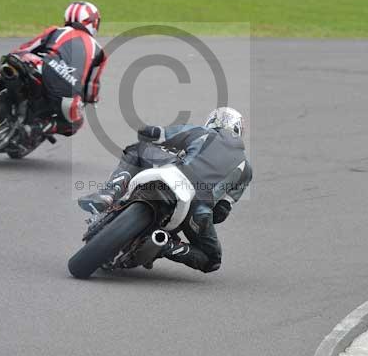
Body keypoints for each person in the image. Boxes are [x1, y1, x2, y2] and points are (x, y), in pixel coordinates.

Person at [77, 107, 253, 273]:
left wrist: (145, 131)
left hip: (176, 174)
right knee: (212, 260)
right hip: (198, 207)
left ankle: (108, 194)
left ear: (213, 122)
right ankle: (167, 246)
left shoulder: (202, 132)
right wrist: (201, 220)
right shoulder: (246, 170)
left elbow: (157, 134)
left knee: (138, 150)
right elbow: (221, 213)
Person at [0, 1, 107, 137]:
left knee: (13, 62)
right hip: (66, 92)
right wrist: (91, 100)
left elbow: (25, 49)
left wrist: (19, 57)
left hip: (41, 68)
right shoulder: (99, 52)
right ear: (93, 23)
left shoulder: (56, 31)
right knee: (75, 123)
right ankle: (36, 128)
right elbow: (92, 87)